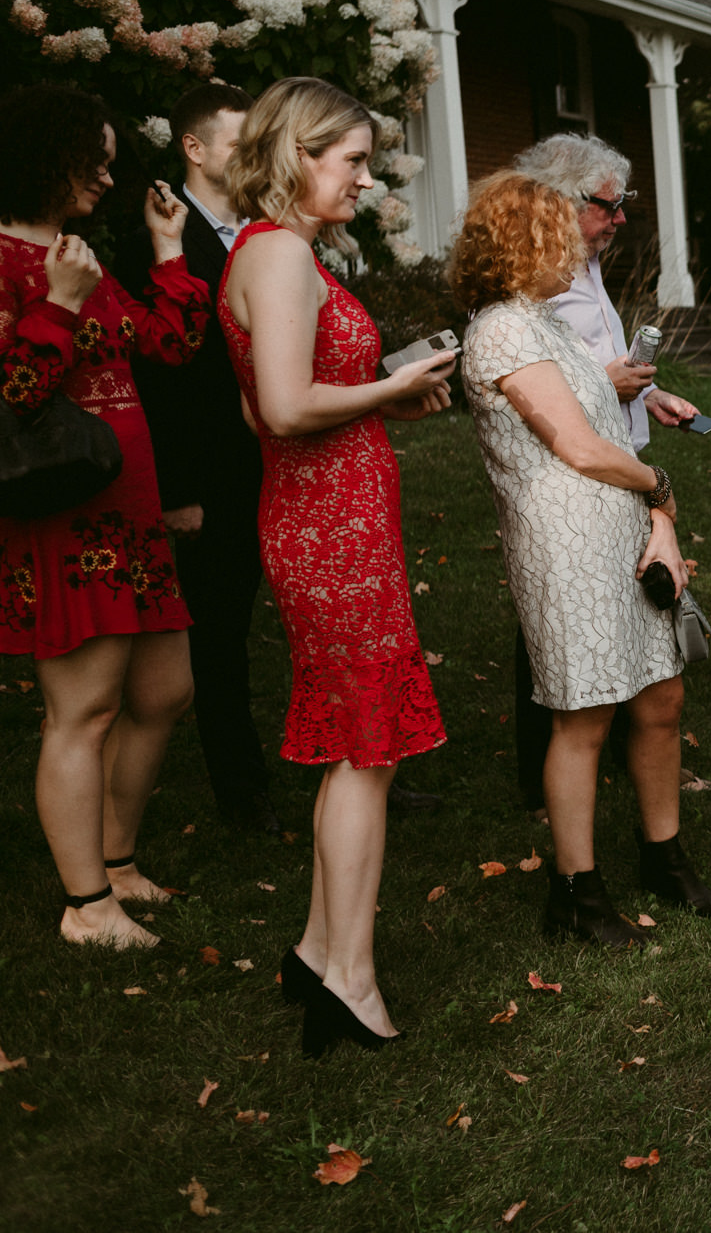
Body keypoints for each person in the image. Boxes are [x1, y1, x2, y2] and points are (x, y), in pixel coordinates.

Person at [215, 77, 453, 1057]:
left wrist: (376, 401)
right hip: (329, 530)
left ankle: (318, 950)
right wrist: (391, 382)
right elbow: (277, 407)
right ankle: (348, 977)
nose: (364, 177)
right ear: (296, 153)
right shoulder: (276, 255)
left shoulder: (272, 253)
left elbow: (259, 404)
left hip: (332, 513)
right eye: (349, 159)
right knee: (368, 748)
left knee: (364, 742)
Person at [454, 171, 711, 943]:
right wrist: (659, 482)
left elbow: (604, 424)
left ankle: (663, 855)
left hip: (620, 525)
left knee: (660, 696)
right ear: (520, 242)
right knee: (584, 714)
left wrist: (656, 520)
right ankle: (577, 893)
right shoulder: (501, 328)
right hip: (562, 544)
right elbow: (573, 444)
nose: (576, 246)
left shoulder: (550, 323)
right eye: (560, 234)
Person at [1, 84, 209, 949]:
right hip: (64, 517)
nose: (107, 172)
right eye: (96, 156)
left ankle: (117, 860)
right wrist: (56, 302)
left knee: (165, 690)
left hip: (130, 513)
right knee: (81, 712)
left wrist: (167, 251)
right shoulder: (14, 261)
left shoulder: (75, 250)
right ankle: (86, 904)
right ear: (45, 152)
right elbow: (15, 392)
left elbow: (168, 342)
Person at [504, 133, 699, 815]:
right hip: (568, 478)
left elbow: (600, 362)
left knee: (627, 614)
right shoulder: (525, 282)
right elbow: (531, 378)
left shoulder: (585, 267)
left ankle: (626, 749)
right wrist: (604, 381)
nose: (619, 221)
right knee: (556, 630)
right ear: (560, 200)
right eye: (607, 207)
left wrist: (647, 393)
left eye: (621, 208)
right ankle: (546, 775)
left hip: (619, 451)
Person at [105, 83, 278, 836]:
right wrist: (181, 492)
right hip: (213, 474)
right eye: (241, 145)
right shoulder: (150, 237)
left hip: (290, 461)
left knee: (316, 626)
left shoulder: (271, 231)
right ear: (194, 148)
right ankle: (244, 796)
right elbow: (156, 381)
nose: (255, 159)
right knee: (219, 639)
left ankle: (361, 762)